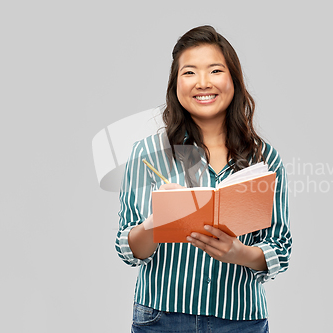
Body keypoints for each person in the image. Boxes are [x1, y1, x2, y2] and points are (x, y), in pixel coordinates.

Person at [116, 25, 292, 332]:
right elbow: (128, 248)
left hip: (240, 321)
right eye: (189, 72)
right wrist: (155, 223)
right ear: (175, 85)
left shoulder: (264, 160)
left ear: (233, 81)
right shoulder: (147, 154)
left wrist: (240, 253)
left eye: (214, 70)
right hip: (161, 318)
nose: (202, 83)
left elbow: (280, 246)